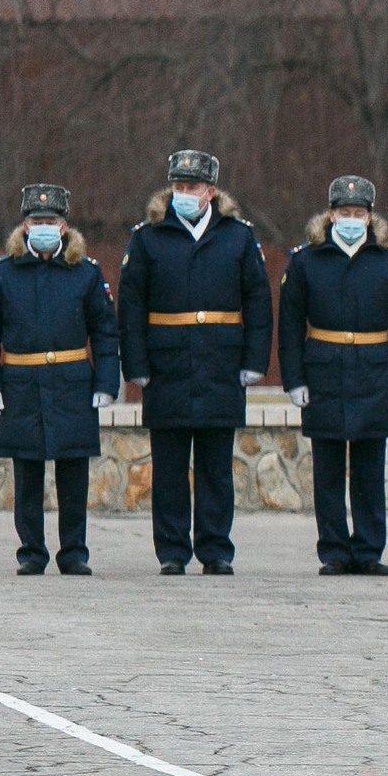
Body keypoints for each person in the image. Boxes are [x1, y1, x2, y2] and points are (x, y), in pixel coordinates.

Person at [119, 149, 274, 576]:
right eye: (178, 186)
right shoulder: (148, 237)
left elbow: (258, 301)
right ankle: (172, 550)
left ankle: (215, 548)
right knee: (169, 466)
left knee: (215, 465)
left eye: (192, 187)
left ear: (210, 191)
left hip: (220, 362)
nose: (184, 193)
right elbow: (130, 306)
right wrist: (135, 364)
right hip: (167, 364)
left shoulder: (238, 236)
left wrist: (254, 361)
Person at [0, 183, 119, 575]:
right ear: (24, 226)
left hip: (72, 382)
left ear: (64, 226)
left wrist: (106, 383)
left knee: (74, 472)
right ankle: (31, 552)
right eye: (36, 220)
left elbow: (104, 330)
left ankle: (73, 552)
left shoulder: (85, 273)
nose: (42, 226)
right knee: (28, 473)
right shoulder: (2, 275)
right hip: (21, 382)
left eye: (50, 221)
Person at [279, 175, 388, 577]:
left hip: (374, 370)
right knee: (327, 469)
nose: (352, 219)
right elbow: (289, 325)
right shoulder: (306, 260)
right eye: (345, 212)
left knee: (369, 469)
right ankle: (335, 550)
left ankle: (369, 549)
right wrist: (295, 379)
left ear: (370, 216)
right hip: (323, 369)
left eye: (359, 213)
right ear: (331, 214)